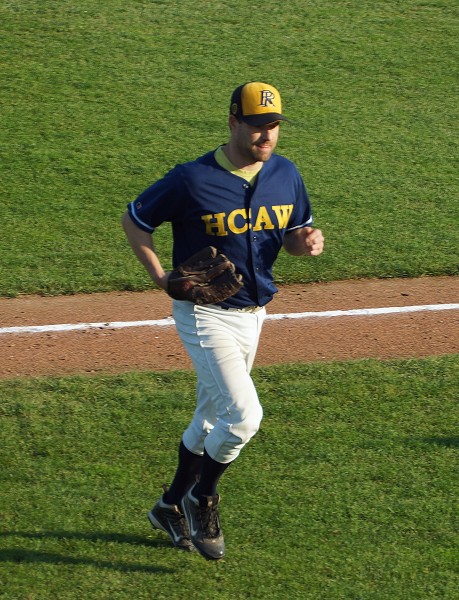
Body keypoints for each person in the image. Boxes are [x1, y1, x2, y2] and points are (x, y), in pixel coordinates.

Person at [122, 81, 324, 560]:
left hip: (254, 315)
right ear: (233, 122)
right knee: (244, 417)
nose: (266, 135)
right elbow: (136, 220)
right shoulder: (191, 179)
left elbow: (293, 234)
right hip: (204, 314)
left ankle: (169, 506)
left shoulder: (286, 174)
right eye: (256, 125)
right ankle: (202, 497)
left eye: (273, 125)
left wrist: (306, 243)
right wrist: (161, 277)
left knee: (212, 415)